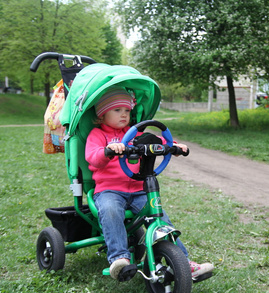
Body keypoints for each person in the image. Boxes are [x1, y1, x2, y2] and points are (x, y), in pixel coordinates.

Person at [85, 86, 214, 280]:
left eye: (127, 111)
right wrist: (108, 150)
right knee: (111, 211)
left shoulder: (133, 133)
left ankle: (184, 261)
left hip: (138, 190)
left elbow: (157, 141)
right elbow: (92, 157)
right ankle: (119, 258)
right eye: (117, 110)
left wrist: (173, 146)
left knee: (160, 218)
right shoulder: (98, 134)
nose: (124, 115)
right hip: (110, 190)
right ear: (102, 114)